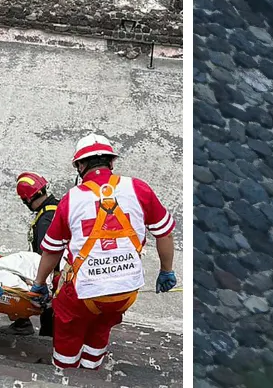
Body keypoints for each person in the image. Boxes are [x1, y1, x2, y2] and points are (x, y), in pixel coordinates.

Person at [31, 134, 177, 370]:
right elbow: (165, 234)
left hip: (83, 294)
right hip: (125, 291)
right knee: (102, 324)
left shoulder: (71, 200)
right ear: (111, 162)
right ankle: (90, 370)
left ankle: (65, 372)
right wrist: (166, 271)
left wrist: (39, 283)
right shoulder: (139, 189)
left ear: (80, 165)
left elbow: (51, 251)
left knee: (69, 330)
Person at [6, 171, 58, 337]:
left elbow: (46, 253)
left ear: (28, 199)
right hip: (60, 269)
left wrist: (39, 279)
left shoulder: (45, 219)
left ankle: (43, 336)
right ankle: (23, 322)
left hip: (53, 273)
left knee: (48, 312)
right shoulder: (56, 206)